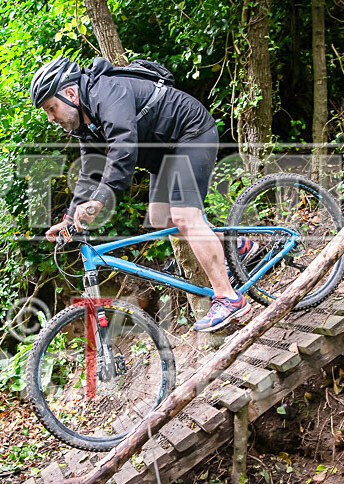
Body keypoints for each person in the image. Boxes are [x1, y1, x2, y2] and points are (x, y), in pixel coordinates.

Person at [30, 56, 256, 332]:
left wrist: (100, 200)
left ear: (70, 93)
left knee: (186, 217)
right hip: (164, 155)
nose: (51, 118)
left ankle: (229, 298)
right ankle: (238, 244)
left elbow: (123, 146)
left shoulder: (107, 92)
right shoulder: (85, 125)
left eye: (52, 108)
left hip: (191, 134)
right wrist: (68, 219)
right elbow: (90, 171)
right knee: (161, 219)